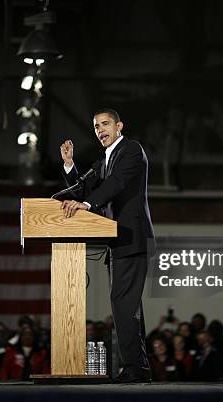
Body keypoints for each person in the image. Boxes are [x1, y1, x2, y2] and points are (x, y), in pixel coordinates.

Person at [59, 108, 155, 383]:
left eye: (105, 124)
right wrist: (69, 165)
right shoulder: (104, 159)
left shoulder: (130, 150)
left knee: (122, 304)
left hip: (131, 237)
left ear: (119, 126)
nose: (100, 130)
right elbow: (83, 190)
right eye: (95, 127)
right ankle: (139, 368)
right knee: (128, 306)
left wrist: (87, 204)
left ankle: (134, 369)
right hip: (118, 241)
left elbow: (116, 184)